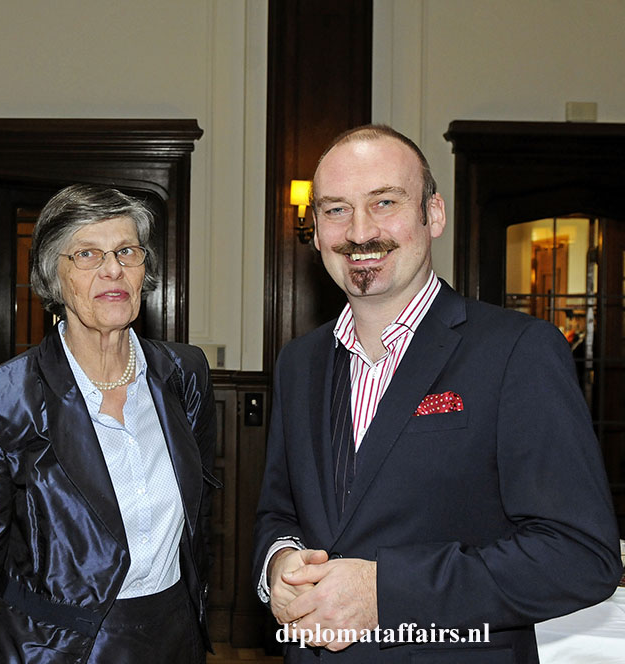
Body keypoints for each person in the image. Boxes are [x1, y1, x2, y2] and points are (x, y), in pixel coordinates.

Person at [252, 124, 622, 662]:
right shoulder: (298, 363)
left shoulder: (517, 351)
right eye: (335, 210)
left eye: (384, 202)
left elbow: (580, 557)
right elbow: (278, 513)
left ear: (434, 214)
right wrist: (278, 564)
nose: (359, 232)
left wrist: (386, 593)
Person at [0, 184, 219, 663]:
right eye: (88, 254)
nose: (113, 269)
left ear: (145, 270)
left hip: (175, 639)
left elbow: (201, 520)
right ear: (54, 278)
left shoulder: (184, 374)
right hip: (57, 651)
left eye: (126, 251)